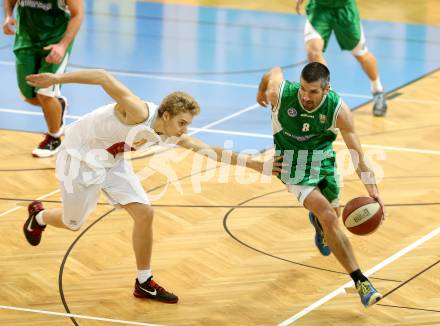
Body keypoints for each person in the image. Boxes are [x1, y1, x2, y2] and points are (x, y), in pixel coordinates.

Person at [23, 69, 281, 304]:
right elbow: (102, 77)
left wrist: (257, 165)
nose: (184, 130)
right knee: (72, 223)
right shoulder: (138, 112)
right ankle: (39, 216)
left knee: (145, 213)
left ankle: (144, 282)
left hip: (112, 162)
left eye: (188, 124)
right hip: (79, 159)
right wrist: (56, 80)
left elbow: (209, 150)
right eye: (182, 123)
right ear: (166, 115)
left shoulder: (169, 132)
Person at [256, 62, 385, 307]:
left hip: (323, 160)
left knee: (331, 216)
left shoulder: (339, 110)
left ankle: (317, 224)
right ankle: (361, 282)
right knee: (329, 215)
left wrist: (374, 191)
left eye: (313, 91)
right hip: (290, 164)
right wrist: (260, 90)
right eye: (303, 89)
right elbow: (273, 70)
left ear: (326, 89)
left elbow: (357, 154)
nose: (305, 96)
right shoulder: (280, 94)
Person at [2, 0, 84, 157]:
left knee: (44, 94)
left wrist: (62, 45)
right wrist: (7, 16)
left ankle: (54, 138)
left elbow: (77, 14)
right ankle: (58, 104)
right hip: (26, 40)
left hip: (54, 42)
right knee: (29, 96)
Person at [295, 0, 388, 117]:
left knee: (361, 54)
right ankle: (328, 99)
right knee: (314, 52)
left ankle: (378, 90)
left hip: (344, 9)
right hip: (320, 7)